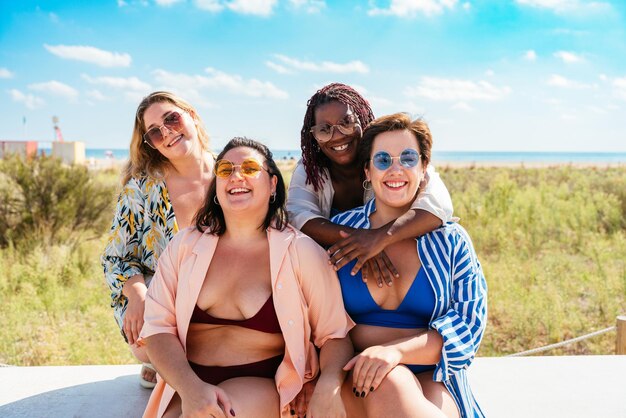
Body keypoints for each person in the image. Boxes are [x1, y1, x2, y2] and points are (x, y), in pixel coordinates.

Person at [137, 137, 355, 418]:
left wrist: (329, 383)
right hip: (187, 380)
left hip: (260, 383)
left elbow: (335, 335)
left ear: (273, 184)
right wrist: (191, 389)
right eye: (225, 170)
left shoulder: (301, 251)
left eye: (250, 168)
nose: (236, 176)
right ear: (216, 186)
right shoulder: (185, 245)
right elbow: (157, 328)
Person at [331, 113, 487, 418]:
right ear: (367, 170)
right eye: (382, 160)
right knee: (392, 382)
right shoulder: (339, 233)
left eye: (408, 157)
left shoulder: (451, 241)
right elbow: (317, 321)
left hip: (436, 375)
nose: (396, 169)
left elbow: (468, 325)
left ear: (424, 167)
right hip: (355, 376)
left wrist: (395, 352)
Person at [286, 83, 454, 288]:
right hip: (332, 275)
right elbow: (298, 217)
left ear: (362, 118)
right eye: (324, 129)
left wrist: (379, 238)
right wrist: (361, 240)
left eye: (346, 122)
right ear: (313, 136)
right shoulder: (309, 169)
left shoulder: (388, 157)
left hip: (400, 266)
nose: (337, 135)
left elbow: (438, 204)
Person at [101, 91, 215, 388]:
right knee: (144, 339)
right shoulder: (143, 187)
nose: (167, 132)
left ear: (191, 114)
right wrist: (138, 296)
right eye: (154, 132)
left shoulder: (230, 173)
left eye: (171, 118)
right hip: (164, 296)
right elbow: (117, 255)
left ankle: (174, 363)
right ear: (150, 144)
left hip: (224, 291)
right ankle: (164, 359)